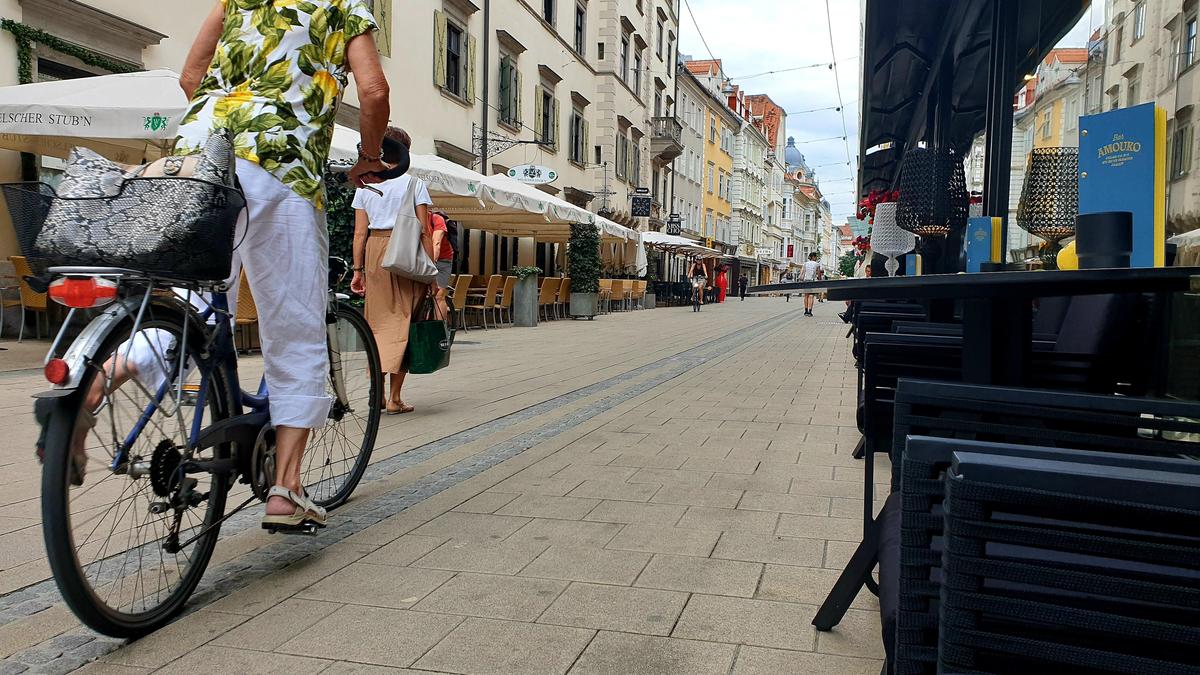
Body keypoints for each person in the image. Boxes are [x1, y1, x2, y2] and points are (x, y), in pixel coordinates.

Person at [175, 0, 393, 530]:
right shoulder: (343, 7)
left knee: (192, 303)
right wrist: (367, 154)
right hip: (282, 166)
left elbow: (190, 76)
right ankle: (287, 490)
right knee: (294, 324)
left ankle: (96, 383)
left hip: (201, 154)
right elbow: (374, 92)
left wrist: (231, 111)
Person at [350, 127, 433, 417]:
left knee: (377, 324)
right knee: (404, 323)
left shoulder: (365, 184)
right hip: (406, 252)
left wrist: (357, 270)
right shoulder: (413, 183)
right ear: (405, 152)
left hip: (375, 251)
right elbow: (424, 230)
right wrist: (431, 272)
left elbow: (359, 233)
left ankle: (378, 395)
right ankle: (395, 398)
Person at [800, 252, 823, 317]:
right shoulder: (817, 264)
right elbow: (819, 274)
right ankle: (810, 311)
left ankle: (805, 311)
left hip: (805, 281)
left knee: (806, 296)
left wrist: (801, 279)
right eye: (816, 257)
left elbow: (803, 272)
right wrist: (820, 280)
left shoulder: (805, 263)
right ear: (814, 257)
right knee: (811, 296)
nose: (816, 258)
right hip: (812, 281)